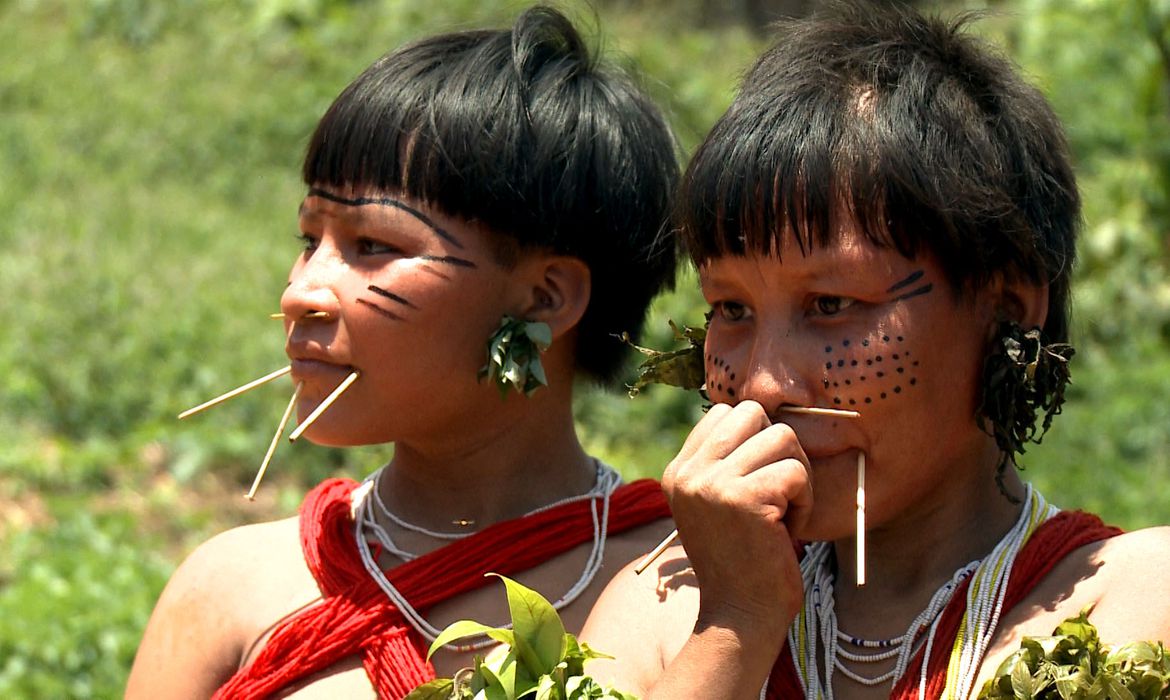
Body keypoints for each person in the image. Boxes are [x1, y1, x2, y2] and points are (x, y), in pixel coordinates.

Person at [580, 4, 1170, 699]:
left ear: (1006, 307)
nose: (764, 385)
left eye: (831, 306)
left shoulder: (1131, 605)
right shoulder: (662, 613)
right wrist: (737, 623)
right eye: (731, 310)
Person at [126, 7, 678, 698]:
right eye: (309, 241)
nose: (302, 292)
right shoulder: (230, 590)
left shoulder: (676, 593)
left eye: (374, 247)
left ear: (543, 297)